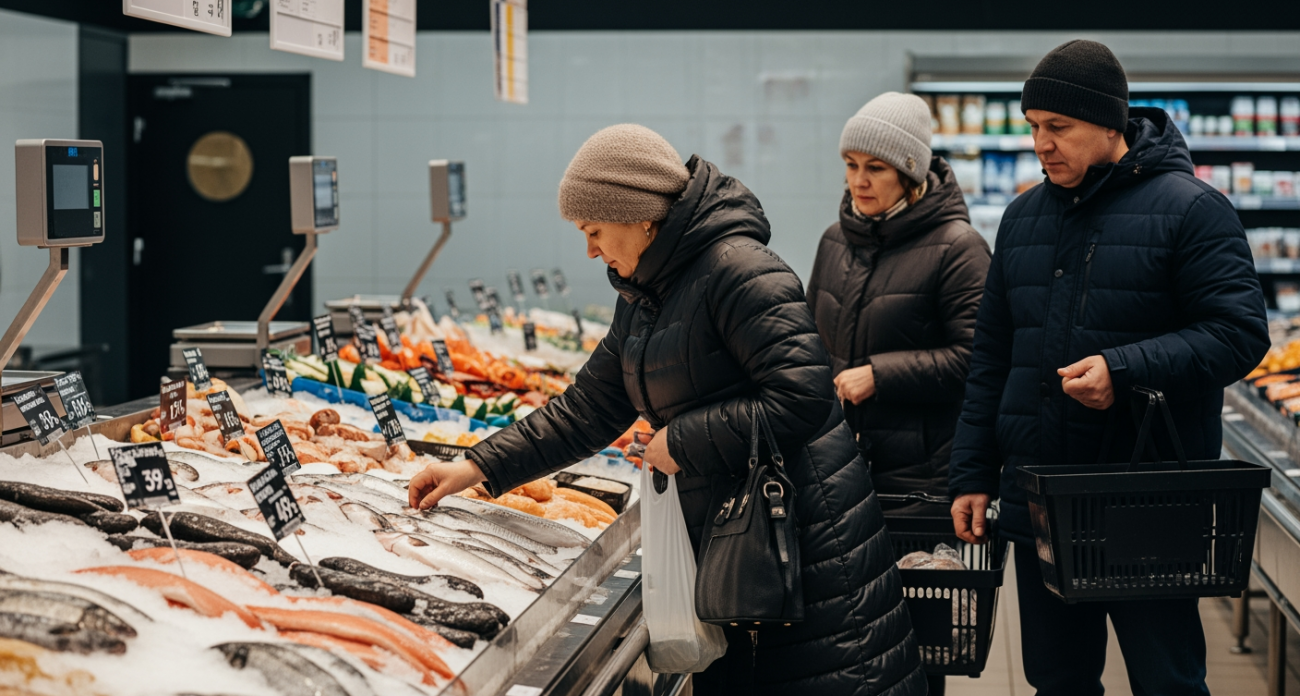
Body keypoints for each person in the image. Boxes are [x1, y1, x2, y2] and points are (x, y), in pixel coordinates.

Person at [408, 124, 926, 695]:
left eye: (594, 230)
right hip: (746, 558)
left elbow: (803, 396)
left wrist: (681, 442)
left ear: (640, 217)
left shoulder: (740, 270)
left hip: (810, 558)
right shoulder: (647, 294)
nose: (590, 250)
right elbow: (588, 407)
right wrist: (476, 466)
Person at [947, 40, 1270, 696]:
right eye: (1034, 126)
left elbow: (1238, 334)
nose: (1041, 144)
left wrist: (1122, 370)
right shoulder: (1021, 220)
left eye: (1057, 128)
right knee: (1058, 679)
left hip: (1147, 495)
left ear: (1110, 123)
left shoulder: (1192, 210)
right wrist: (973, 473)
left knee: (1166, 678)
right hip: (1043, 494)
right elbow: (992, 359)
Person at [807, 91, 991, 696]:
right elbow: (812, 339)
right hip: (841, 474)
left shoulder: (958, 248)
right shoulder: (836, 240)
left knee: (916, 647)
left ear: (909, 172)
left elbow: (976, 358)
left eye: (875, 168)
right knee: (847, 645)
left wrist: (879, 374)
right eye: (851, 165)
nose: (859, 181)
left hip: (918, 482)